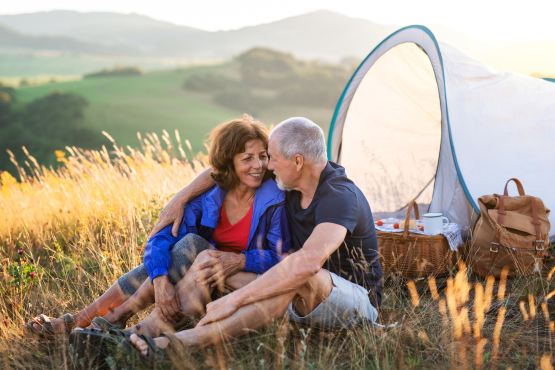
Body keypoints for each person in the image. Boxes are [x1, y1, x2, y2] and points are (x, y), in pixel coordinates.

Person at [117, 117, 383, 364]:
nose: (267, 166)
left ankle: (182, 343)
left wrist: (235, 299)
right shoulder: (290, 184)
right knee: (210, 260)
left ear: (298, 161)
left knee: (296, 272)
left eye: (272, 159)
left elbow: (309, 263)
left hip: (354, 302)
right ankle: (135, 335)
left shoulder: (339, 196)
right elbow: (223, 168)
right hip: (296, 297)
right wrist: (181, 197)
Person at [27, 115, 291, 338]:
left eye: (263, 157)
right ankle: (84, 321)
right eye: (247, 158)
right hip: (193, 282)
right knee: (180, 251)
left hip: (236, 284)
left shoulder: (275, 200)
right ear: (229, 161)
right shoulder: (208, 197)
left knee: (195, 247)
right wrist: (161, 281)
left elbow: (283, 257)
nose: (258, 166)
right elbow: (161, 238)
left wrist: (239, 260)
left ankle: (111, 321)